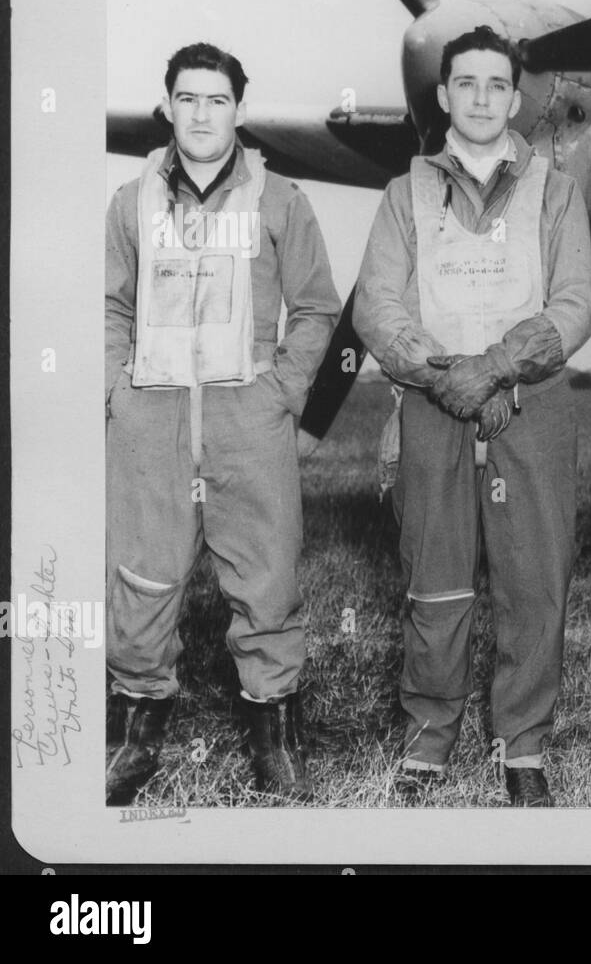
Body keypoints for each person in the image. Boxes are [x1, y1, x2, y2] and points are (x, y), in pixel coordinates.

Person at [353, 25, 591, 807]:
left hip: (532, 406)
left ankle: (522, 744)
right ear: (443, 94)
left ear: (517, 97)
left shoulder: (555, 191)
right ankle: (428, 738)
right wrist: (445, 374)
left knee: (534, 581)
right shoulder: (405, 194)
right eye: (467, 83)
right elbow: (377, 305)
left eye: (498, 84)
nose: (483, 98)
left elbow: (574, 305)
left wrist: (496, 368)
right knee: (436, 579)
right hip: (434, 405)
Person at [104, 42, 341, 805]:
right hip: (155, 417)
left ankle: (274, 737)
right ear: (167, 105)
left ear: (239, 109)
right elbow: (108, 305)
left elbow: (314, 309)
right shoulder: (129, 201)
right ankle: (137, 737)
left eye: (217, 100)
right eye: (188, 98)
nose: (202, 114)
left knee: (267, 582)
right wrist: (118, 390)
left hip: (249, 419)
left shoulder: (282, 200)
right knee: (143, 578)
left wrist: (283, 391)